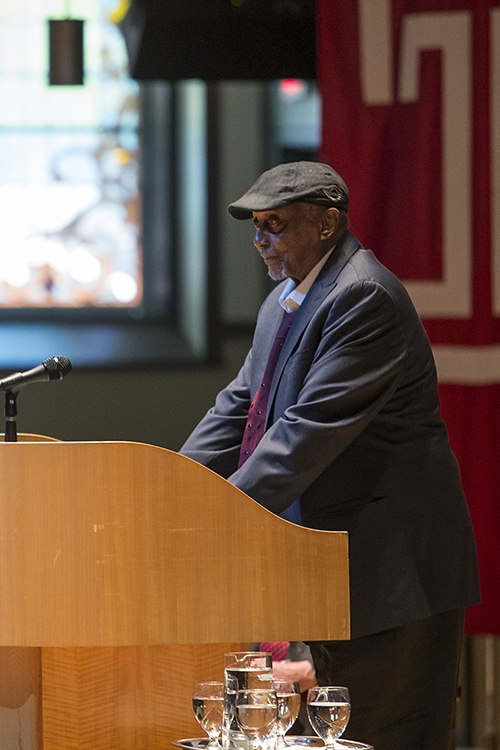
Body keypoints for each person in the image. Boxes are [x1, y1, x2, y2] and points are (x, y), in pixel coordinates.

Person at [180, 162, 479, 750]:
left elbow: (304, 434)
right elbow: (237, 409)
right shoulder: (285, 301)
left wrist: (213, 517)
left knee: (388, 736)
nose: (260, 239)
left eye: (275, 224)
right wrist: (165, 489)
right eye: (256, 226)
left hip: (395, 576)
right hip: (337, 574)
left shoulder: (362, 295)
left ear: (326, 225)